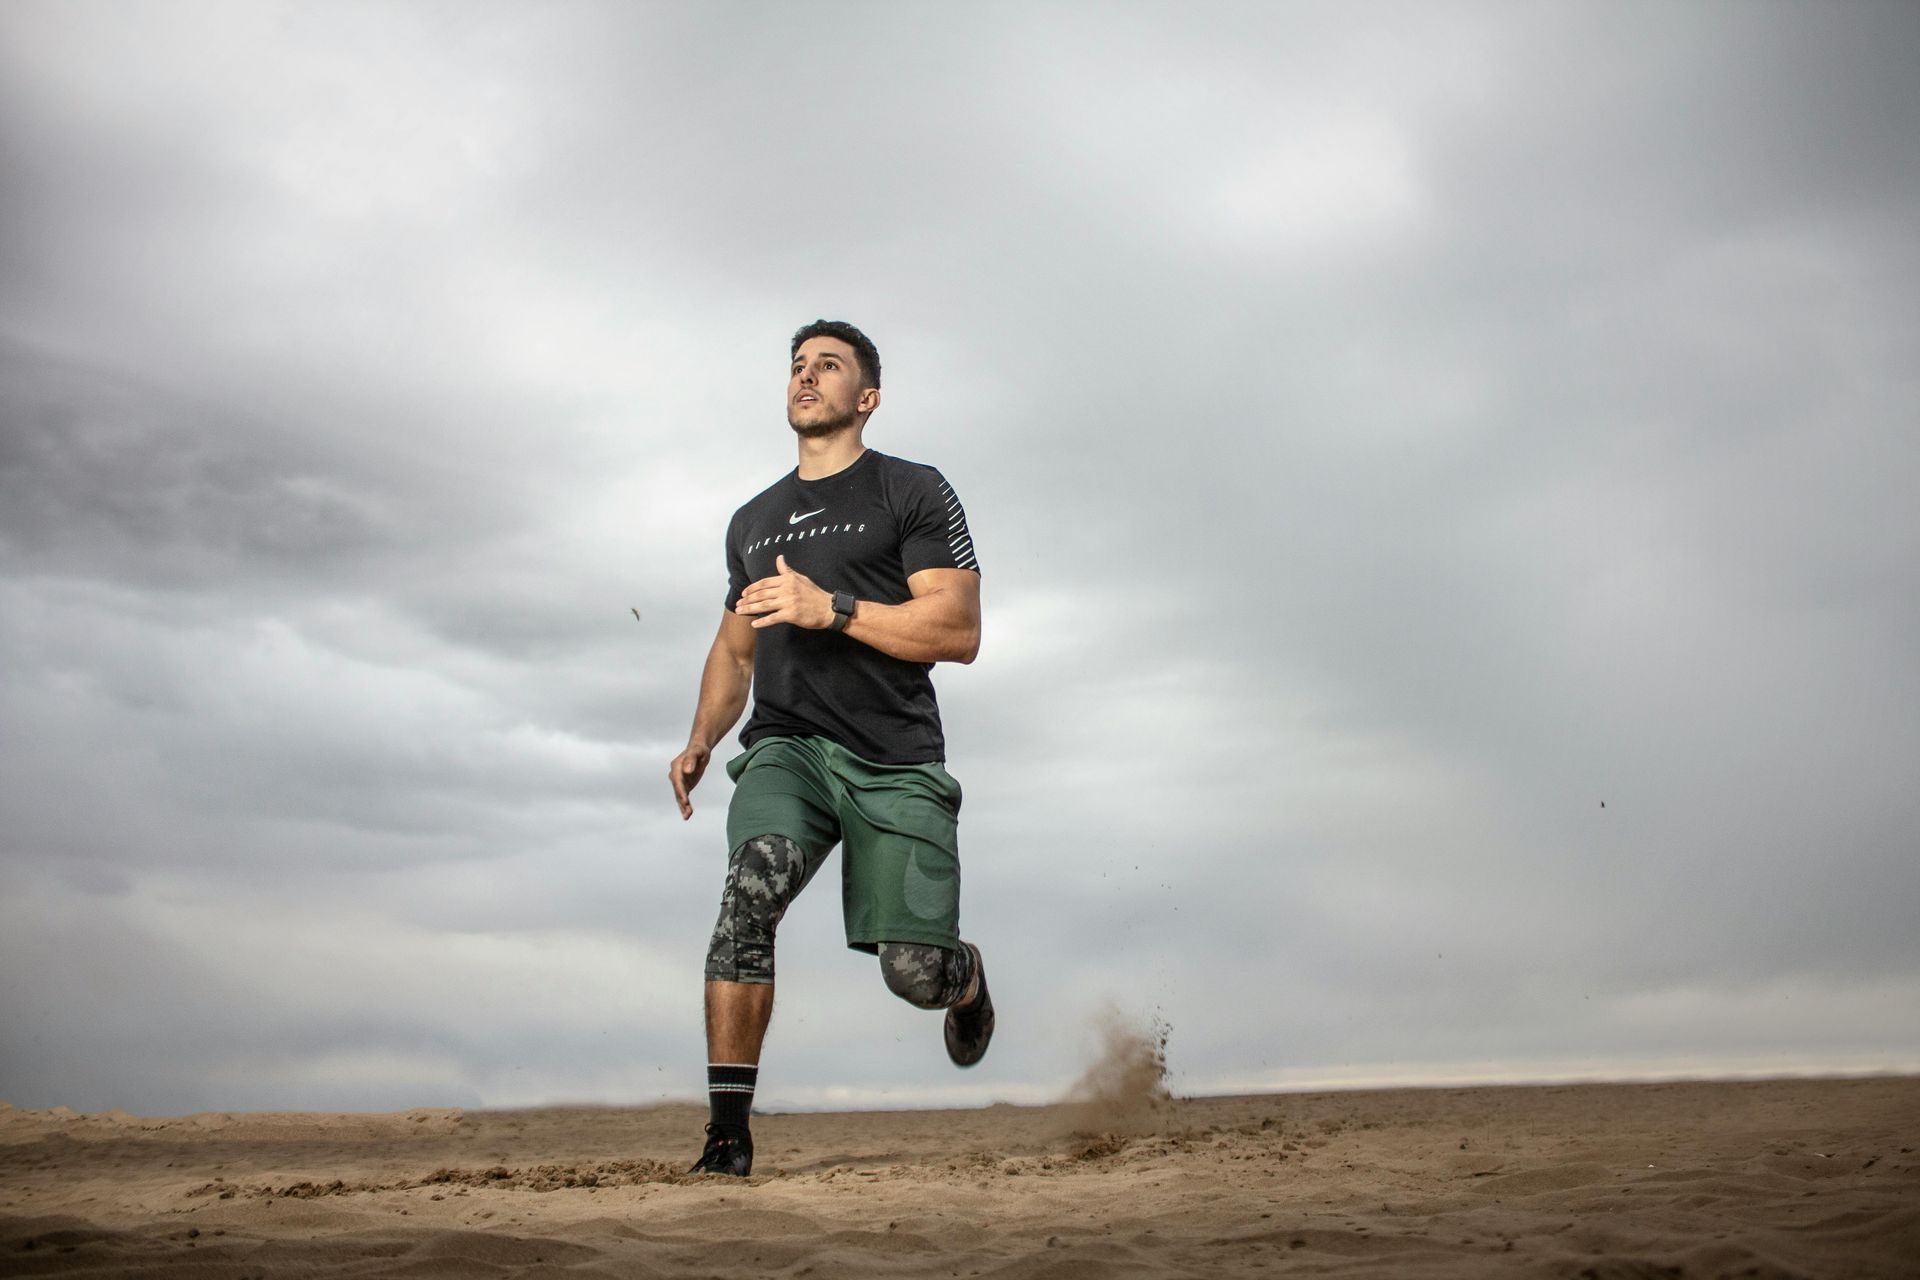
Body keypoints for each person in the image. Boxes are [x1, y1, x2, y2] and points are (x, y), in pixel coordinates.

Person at [667, 320, 992, 1178]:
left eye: (830, 366)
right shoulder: (754, 520)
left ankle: (964, 978)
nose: (807, 377)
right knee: (748, 896)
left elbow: (958, 631)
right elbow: (735, 649)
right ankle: (726, 1138)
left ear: (868, 397)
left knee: (912, 972)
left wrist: (834, 609)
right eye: (798, 366)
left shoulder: (911, 489)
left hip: (894, 757)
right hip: (789, 751)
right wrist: (704, 736)